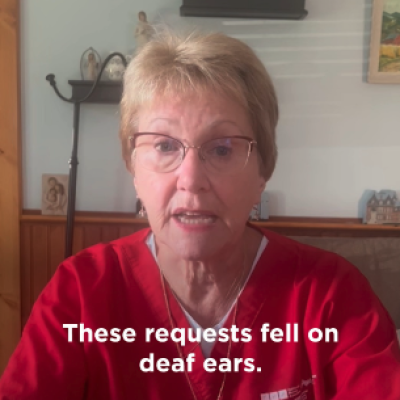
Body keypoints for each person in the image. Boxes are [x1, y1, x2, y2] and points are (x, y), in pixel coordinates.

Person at [1, 29, 400, 400]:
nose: (190, 180)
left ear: (264, 169)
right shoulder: (81, 292)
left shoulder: (330, 295)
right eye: (163, 146)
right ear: (132, 167)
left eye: (223, 148)